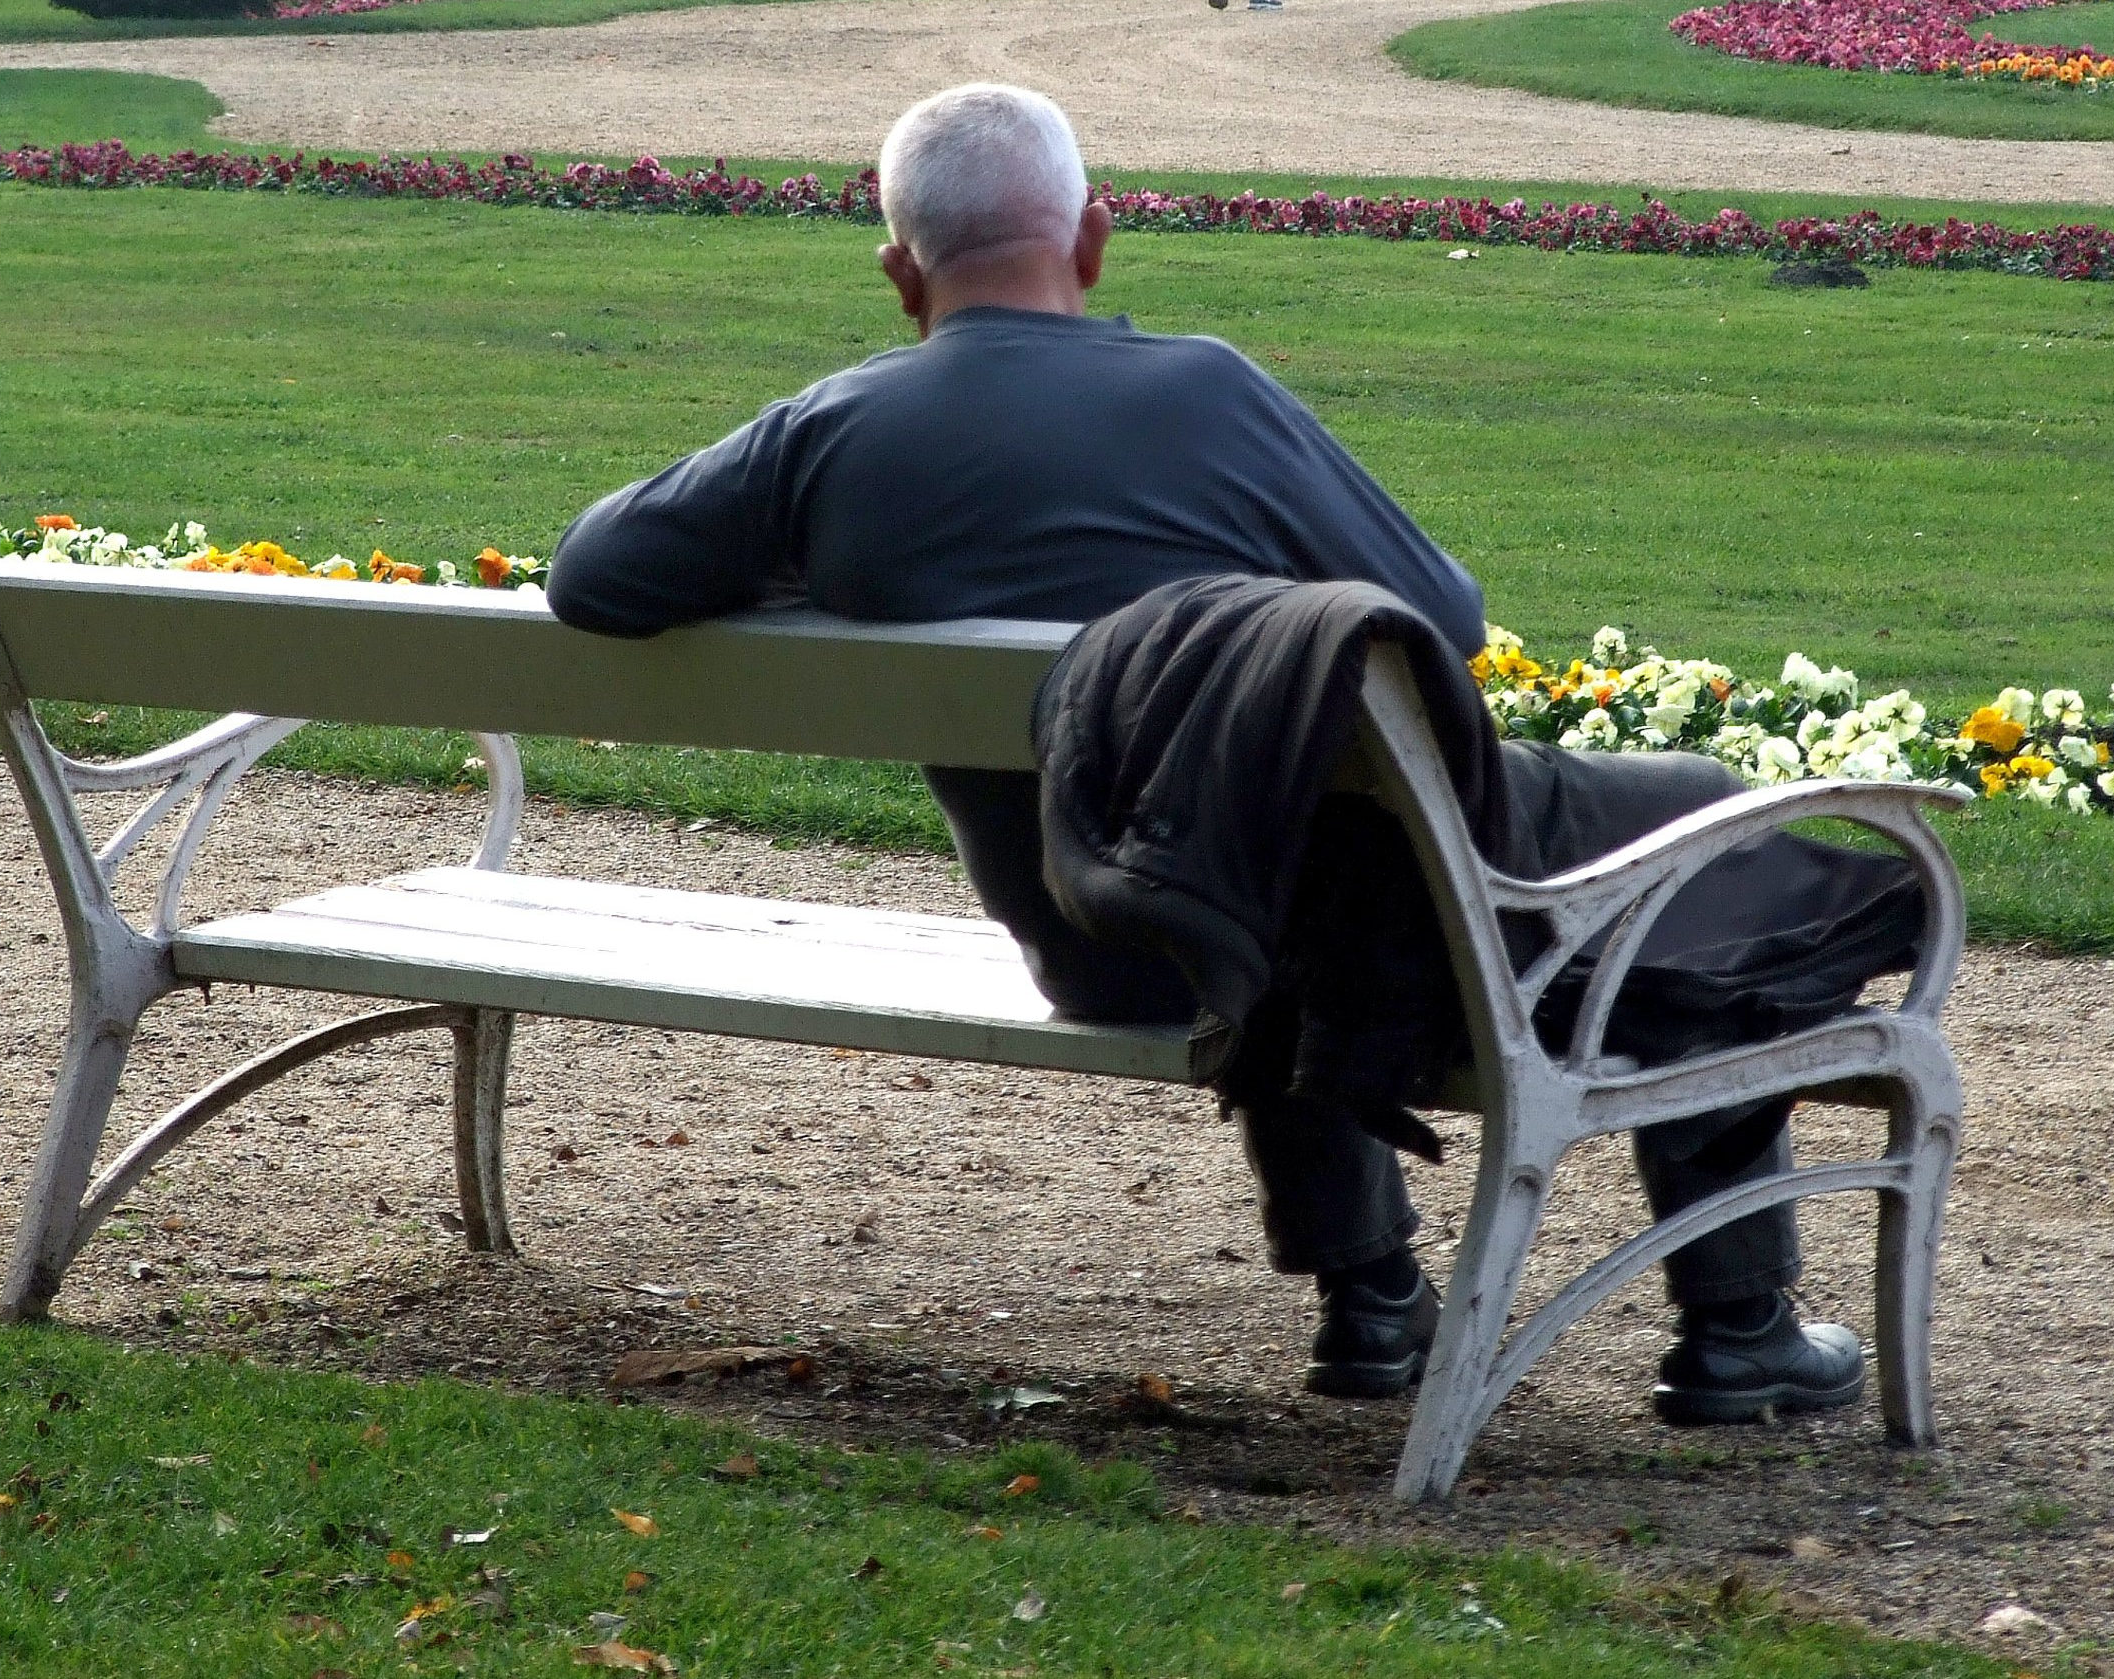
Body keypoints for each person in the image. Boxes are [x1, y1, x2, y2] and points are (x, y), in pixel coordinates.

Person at [545, 82, 1866, 1423]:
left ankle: (1372, 1297)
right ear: (1094, 238)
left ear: (899, 273)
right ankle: (1739, 1325)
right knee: (1706, 825)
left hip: (1104, 949)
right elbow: (1448, 619)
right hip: (1355, 940)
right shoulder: (1206, 393)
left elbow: (594, 574)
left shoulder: (824, 436)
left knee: (1260, 855)